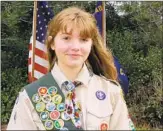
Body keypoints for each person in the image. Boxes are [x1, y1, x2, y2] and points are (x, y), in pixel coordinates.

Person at [7, 7, 135, 130]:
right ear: (52, 43)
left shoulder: (110, 91)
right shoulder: (30, 96)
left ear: (91, 44)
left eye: (83, 40)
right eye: (66, 38)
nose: (75, 47)